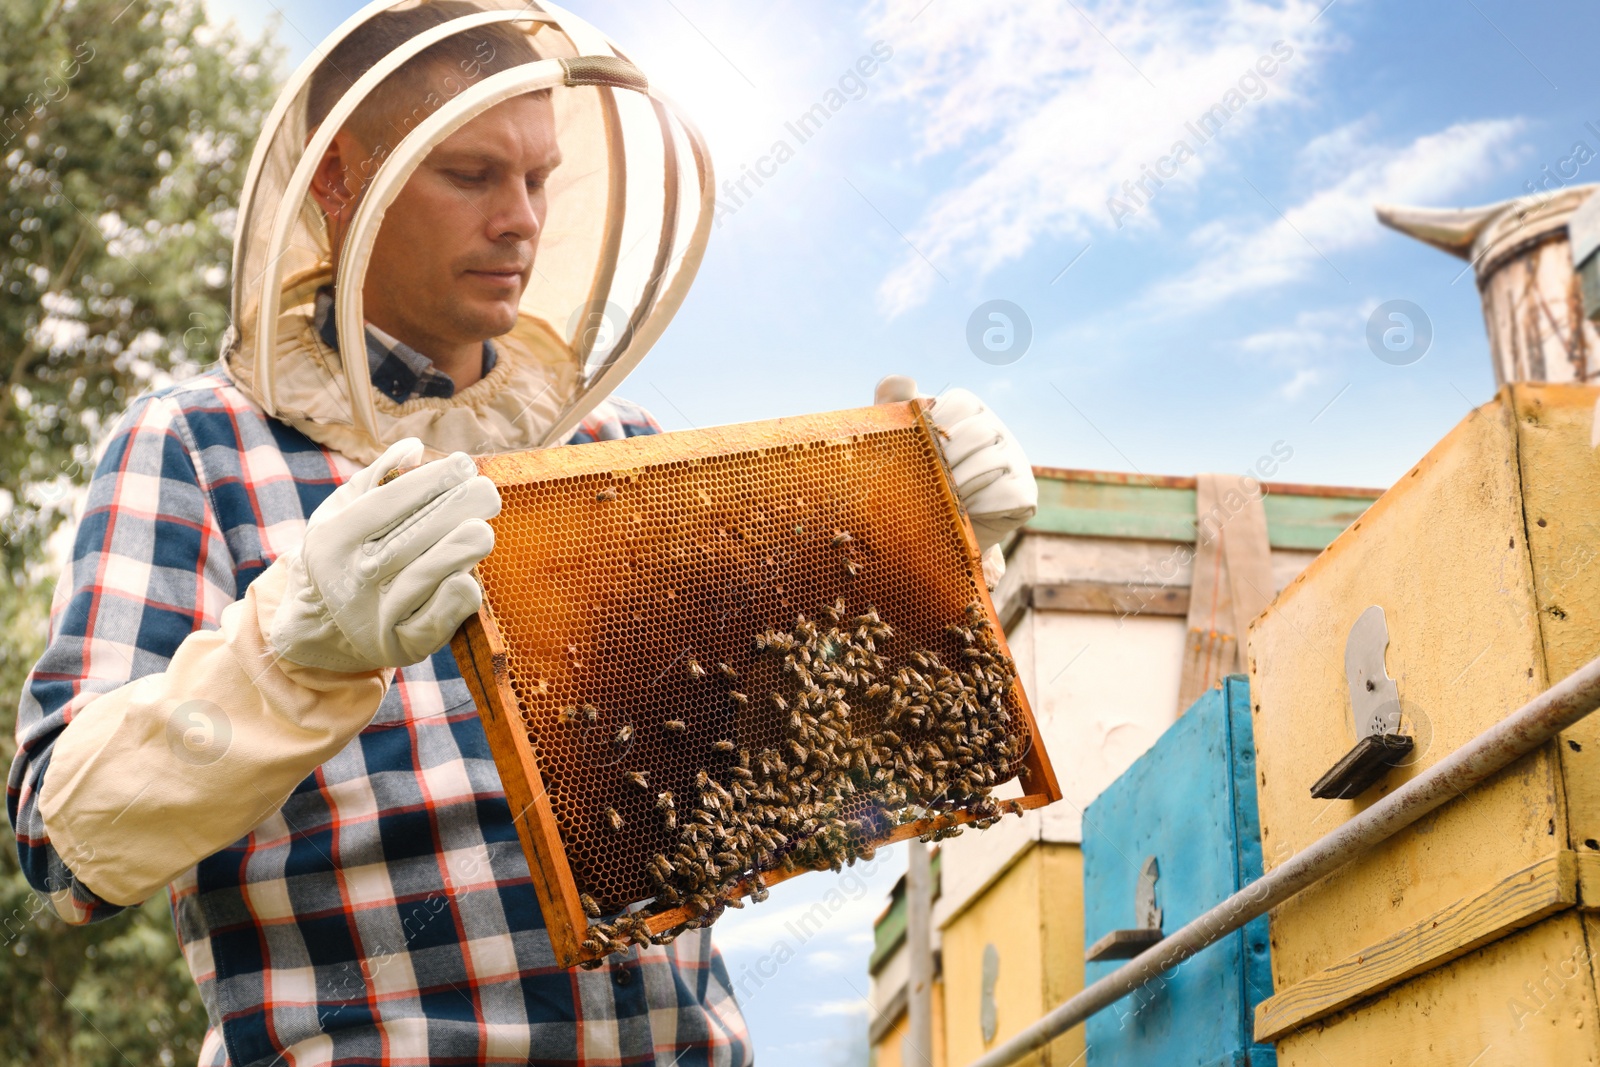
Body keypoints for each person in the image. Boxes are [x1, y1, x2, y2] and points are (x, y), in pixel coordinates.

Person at [6, 3, 1037, 1065]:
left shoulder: (621, 443)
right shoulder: (195, 445)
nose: (521, 220)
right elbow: (63, 843)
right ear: (339, 182)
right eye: (471, 175)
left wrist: (927, 565)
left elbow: (801, 790)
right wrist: (281, 656)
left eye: (539, 178)